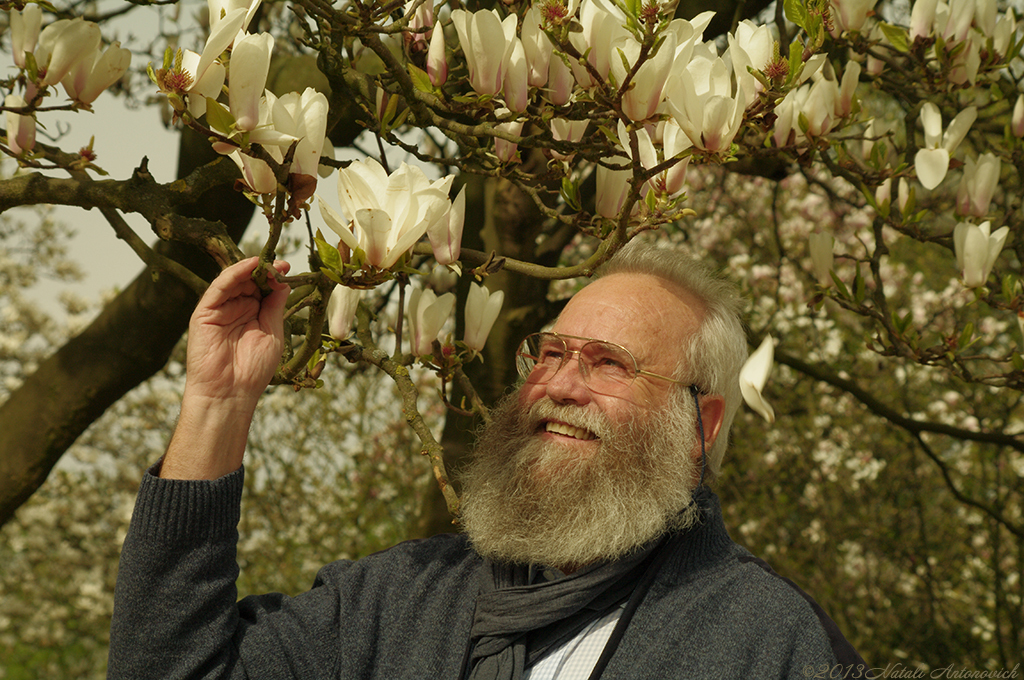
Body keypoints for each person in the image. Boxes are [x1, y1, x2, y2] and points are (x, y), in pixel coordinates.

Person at [108, 241, 871, 679]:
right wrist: (218, 404)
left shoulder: (764, 640)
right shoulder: (392, 599)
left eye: (608, 363)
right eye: (550, 353)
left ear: (699, 424)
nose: (559, 385)